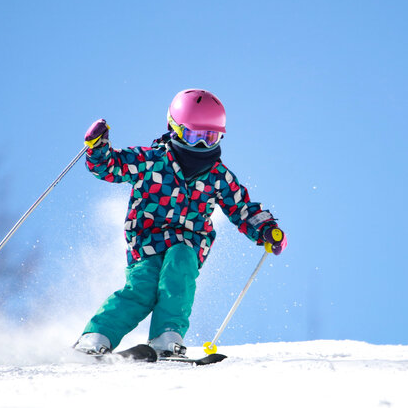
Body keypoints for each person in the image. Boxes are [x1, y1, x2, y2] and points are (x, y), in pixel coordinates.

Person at [73, 89, 287, 357]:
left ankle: (166, 338)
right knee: (141, 290)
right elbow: (111, 166)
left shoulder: (218, 175)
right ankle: (96, 337)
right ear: (174, 129)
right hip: (147, 241)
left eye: (210, 137)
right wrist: (98, 148)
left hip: (189, 240)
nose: (201, 146)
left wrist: (266, 228)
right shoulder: (151, 161)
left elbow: (242, 208)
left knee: (180, 268)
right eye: (194, 136)